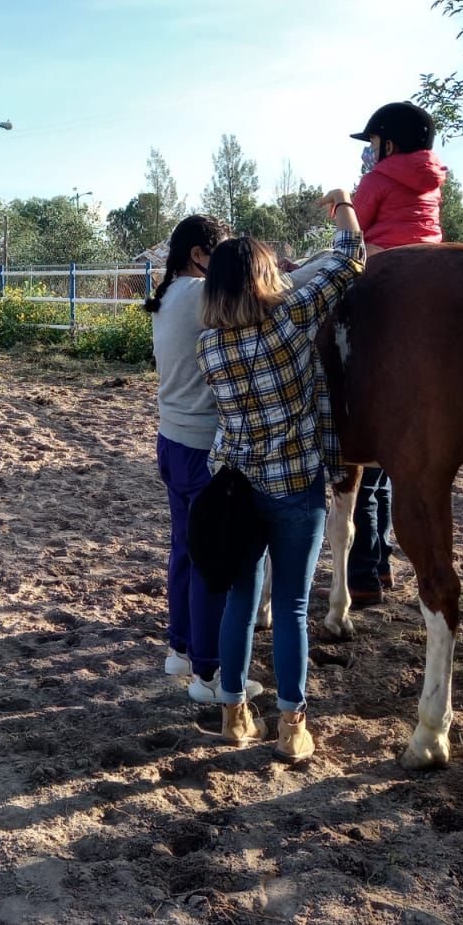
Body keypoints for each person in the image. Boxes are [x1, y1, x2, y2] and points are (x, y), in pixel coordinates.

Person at [196, 190, 365, 761]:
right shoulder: (291, 318)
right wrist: (342, 203)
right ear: (266, 275)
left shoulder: (210, 346)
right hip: (294, 483)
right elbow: (348, 258)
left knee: (241, 603)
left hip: (236, 487)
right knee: (291, 607)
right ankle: (293, 725)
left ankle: (233, 712)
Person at [344, 101, 447, 607]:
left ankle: (363, 573)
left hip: (383, 262)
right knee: (385, 477)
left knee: (325, 311)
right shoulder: (434, 180)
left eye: (372, 144)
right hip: (431, 260)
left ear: (386, 143)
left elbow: (354, 233)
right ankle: (381, 567)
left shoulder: (378, 178)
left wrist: (343, 202)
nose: (370, 153)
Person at [147, 215, 237, 691]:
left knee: (184, 548)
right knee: (212, 558)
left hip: (172, 438)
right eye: (218, 252)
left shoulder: (169, 298)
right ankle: (209, 670)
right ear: (200, 254)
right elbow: (271, 293)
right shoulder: (204, 296)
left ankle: (179, 648)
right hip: (203, 447)